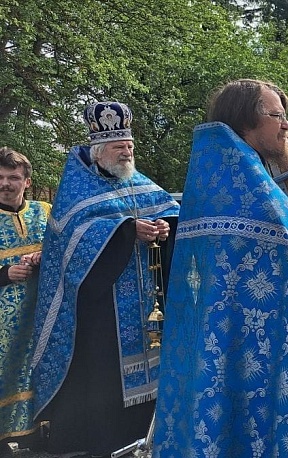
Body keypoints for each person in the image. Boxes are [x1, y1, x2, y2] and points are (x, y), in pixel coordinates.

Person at [152, 79, 288, 458]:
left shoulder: (212, 180)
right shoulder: (256, 195)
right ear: (247, 121)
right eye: (277, 115)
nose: (286, 126)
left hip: (216, 347)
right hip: (268, 353)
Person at [29, 101, 180, 457]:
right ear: (99, 152)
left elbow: (170, 210)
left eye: (129, 146)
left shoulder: (139, 182)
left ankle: (149, 436)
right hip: (103, 309)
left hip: (147, 302)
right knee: (106, 379)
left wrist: (163, 227)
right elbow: (73, 240)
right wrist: (127, 231)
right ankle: (109, 443)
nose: (126, 151)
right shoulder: (77, 190)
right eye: (118, 147)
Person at [0, 148, 50, 456]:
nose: (5, 184)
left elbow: (63, 249)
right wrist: (5, 273)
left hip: (40, 312)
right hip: (3, 323)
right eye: (0, 178)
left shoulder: (44, 210)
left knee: (37, 368)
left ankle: (36, 431)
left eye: (13, 178)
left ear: (27, 182)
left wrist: (44, 256)